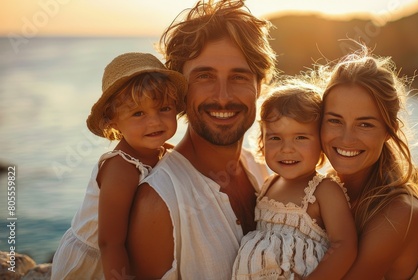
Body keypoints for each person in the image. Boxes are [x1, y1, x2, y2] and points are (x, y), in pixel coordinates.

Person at [125, 0, 277, 279]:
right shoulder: (160, 203)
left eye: (239, 77)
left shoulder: (264, 173)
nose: (222, 96)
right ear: (179, 91)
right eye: (204, 76)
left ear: (259, 86)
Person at [51, 52, 187, 280]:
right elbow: (110, 243)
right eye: (138, 113)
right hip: (98, 262)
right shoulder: (121, 168)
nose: (154, 121)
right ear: (113, 121)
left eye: (164, 109)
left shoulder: (161, 152)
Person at [320, 45, 418, 279]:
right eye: (335, 121)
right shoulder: (324, 191)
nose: (346, 138)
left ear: (388, 130)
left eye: (365, 124)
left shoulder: (400, 212)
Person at [232, 79, 357, 280]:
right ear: (261, 141)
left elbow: (344, 246)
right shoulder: (268, 184)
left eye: (300, 137)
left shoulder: (323, 190)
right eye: (275, 138)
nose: (286, 148)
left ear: (322, 141)